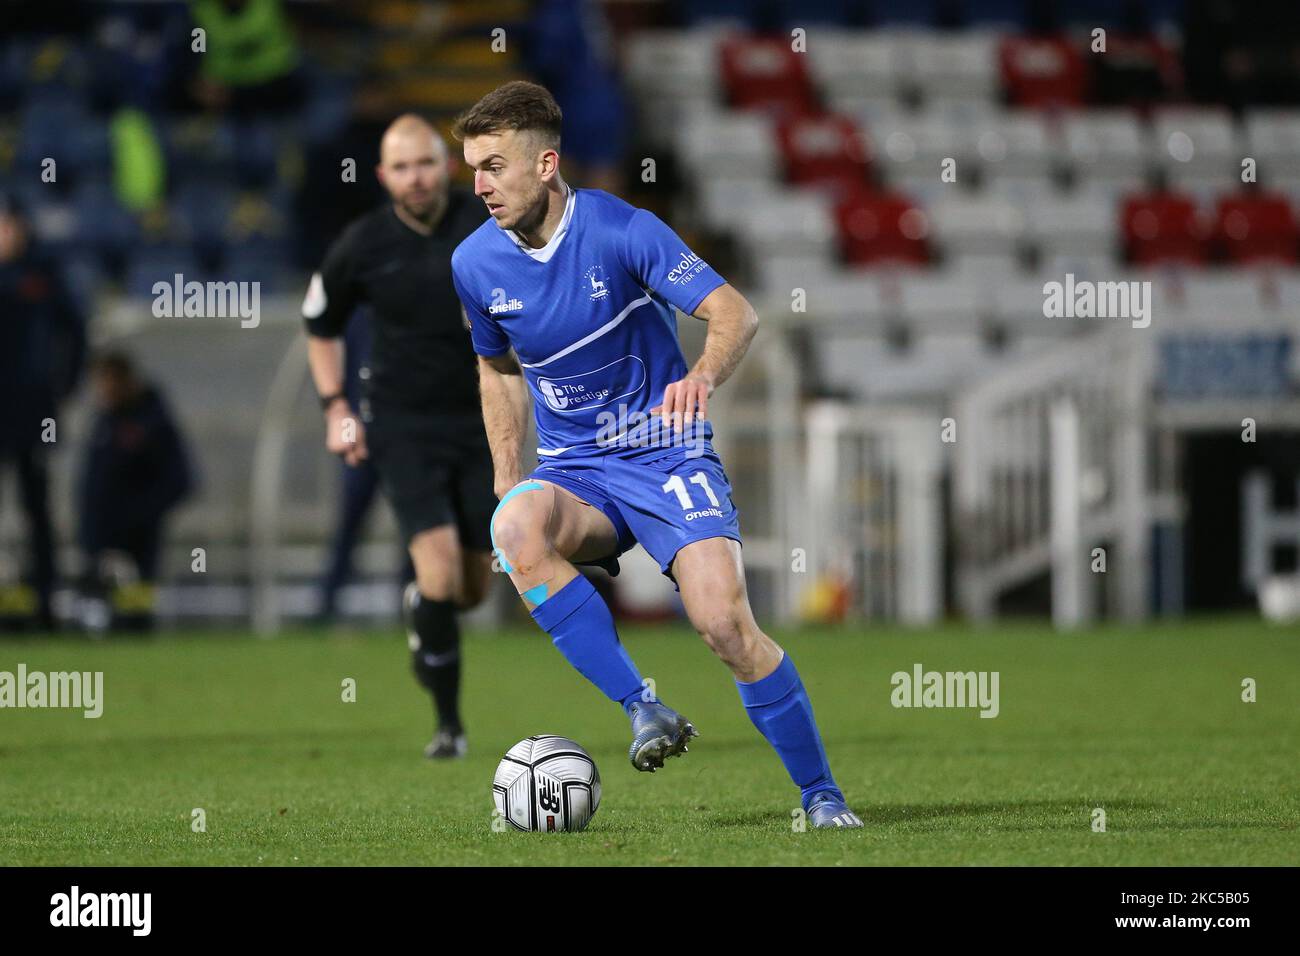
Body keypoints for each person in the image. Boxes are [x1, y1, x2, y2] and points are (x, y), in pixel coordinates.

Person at [450, 82, 862, 828]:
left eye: (494, 166)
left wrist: (701, 376)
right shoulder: (474, 264)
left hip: (665, 454)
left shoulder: (619, 229)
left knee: (724, 626)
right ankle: (644, 708)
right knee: (513, 531)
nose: (479, 184)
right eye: (473, 167)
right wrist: (510, 485)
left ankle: (821, 796)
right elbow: (497, 369)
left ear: (545, 164)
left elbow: (733, 311)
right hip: (576, 472)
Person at [303, 114, 495, 759]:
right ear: (384, 176)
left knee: (473, 588)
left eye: (427, 163)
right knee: (439, 572)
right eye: (402, 168)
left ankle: (425, 609)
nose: (416, 178)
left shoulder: (488, 224)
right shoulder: (362, 244)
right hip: (402, 426)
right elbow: (319, 324)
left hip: (482, 423)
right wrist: (336, 407)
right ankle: (450, 726)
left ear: (446, 166)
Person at [0, 192, 86, 631]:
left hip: (32, 411)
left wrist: (65, 386)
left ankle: (46, 602)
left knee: (38, 509)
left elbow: (75, 329)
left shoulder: (41, 273)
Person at [77, 351, 194, 630]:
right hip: (99, 537)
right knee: (98, 613)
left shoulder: (153, 422)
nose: (104, 390)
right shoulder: (104, 422)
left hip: (138, 539)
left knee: (136, 612)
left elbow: (181, 480)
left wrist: (140, 515)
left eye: (109, 382)